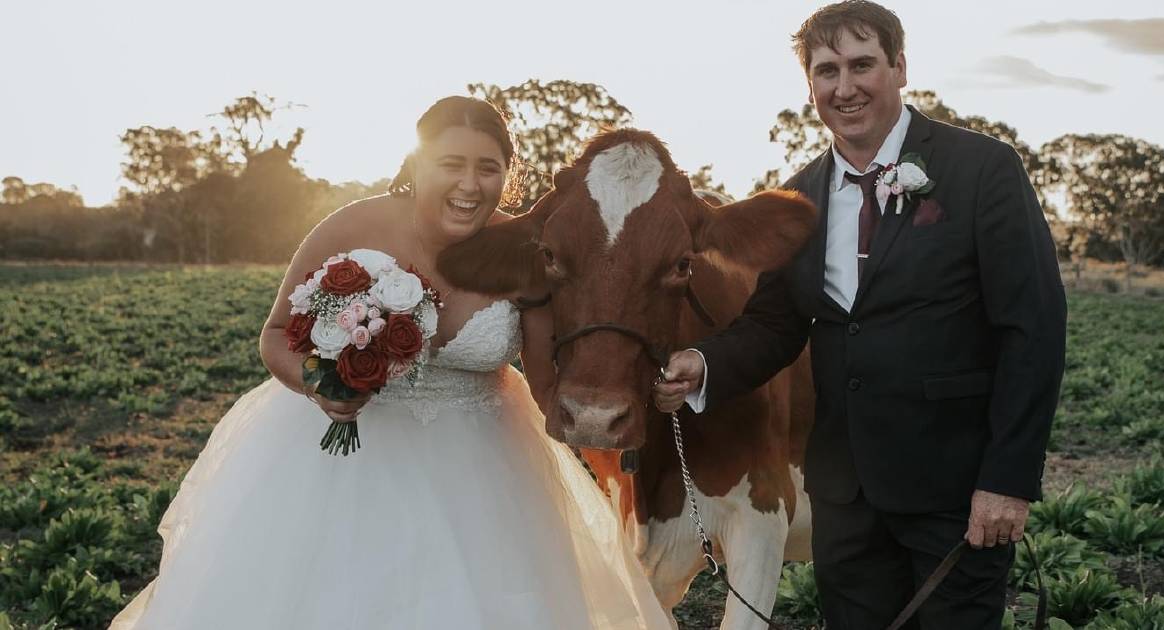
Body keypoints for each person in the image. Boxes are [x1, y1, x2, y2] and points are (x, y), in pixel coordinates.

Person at [112, 96, 671, 630]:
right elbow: (278, 334)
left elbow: (552, 386)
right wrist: (318, 386)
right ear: (416, 162)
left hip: (484, 469)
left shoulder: (528, 249)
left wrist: (630, 405)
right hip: (337, 466)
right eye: (451, 164)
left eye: (488, 168)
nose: (470, 185)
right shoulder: (353, 228)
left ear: (508, 174)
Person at [652, 2, 1067, 628]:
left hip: (956, 492)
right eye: (826, 71)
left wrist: (1007, 481)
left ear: (899, 68)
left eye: (862, 64)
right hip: (843, 499)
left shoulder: (984, 170)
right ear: (810, 85)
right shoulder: (798, 201)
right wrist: (702, 364)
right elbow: (774, 325)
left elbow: (1032, 330)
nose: (844, 88)